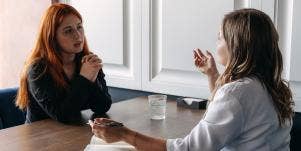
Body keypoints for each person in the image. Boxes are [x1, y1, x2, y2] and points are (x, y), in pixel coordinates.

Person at [88, 8, 294, 151]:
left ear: (237, 45)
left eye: (220, 37)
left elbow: (189, 148)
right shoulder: (273, 86)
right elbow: (229, 115)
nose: (217, 42)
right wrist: (212, 75)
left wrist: (124, 134)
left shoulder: (238, 92)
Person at [15, 3, 112, 124]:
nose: (77, 35)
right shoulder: (38, 69)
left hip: (71, 133)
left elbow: (102, 106)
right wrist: (85, 78)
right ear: (52, 37)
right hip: (39, 138)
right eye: (68, 31)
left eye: (79, 27)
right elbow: (63, 115)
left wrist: (92, 80)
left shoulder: (86, 60)